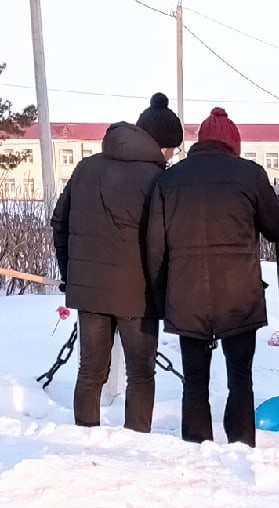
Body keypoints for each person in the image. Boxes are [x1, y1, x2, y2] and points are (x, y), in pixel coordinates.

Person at [146, 106, 279, 447]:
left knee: (194, 379)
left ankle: (197, 446)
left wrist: (161, 297)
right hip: (238, 295)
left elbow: (154, 247)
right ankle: (241, 445)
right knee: (240, 377)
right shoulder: (249, 175)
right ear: (233, 145)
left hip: (186, 294)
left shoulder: (169, 179)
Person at [50, 92, 183, 432]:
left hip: (90, 294)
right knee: (141, 374)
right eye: (172, 148)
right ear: (161, 144)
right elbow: (164, 242)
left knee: (90, 370)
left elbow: (60, 222)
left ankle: (84, 438)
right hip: (137, 297)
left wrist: (71, 274)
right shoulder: (158, 179)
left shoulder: (86, 167)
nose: (170, 156)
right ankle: (135, 446)